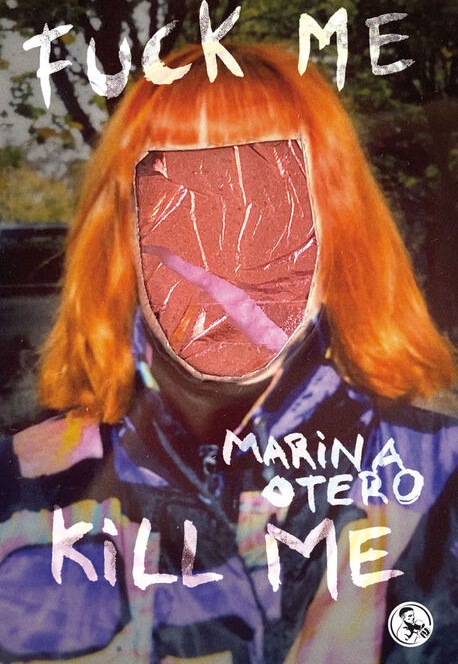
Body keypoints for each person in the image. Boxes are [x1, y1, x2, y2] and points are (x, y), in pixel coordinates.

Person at [0, 44, 456, 663]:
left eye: (270, 204)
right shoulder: (20, 489)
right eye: (178, 205)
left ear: (338, 234)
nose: (224, 262)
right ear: (123, 246)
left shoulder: (442, 481)